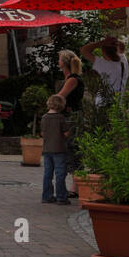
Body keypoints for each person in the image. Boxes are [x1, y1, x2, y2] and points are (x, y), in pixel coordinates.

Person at [56, 50, 84, 198]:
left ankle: (76, 185)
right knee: (68, 149)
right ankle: (75, 183)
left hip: (73, 118)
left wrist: (50, 103)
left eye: (60, 58)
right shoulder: (68, 78)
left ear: (64, 62)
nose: (58, 61)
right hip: (66, 116)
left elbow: (60, 96)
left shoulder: (73, 79)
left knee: (73, 149)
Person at [41, 94, 71, 204]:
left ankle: (47, 196)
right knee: (60, 173)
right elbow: (66, 133)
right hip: (59, 149)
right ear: (61, 105)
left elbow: (43, 133)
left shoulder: (44, 117)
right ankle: (61, 197)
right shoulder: (60, 118)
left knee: (47, 173)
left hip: (47, 149)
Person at [81, 35, 128, 103]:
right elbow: (122, 46)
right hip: (117, 103)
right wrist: (113, 41)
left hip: (103, 104)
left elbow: (83, 50)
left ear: (103, 51)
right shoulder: (123, 61)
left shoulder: (103, 64)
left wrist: (100, 42)